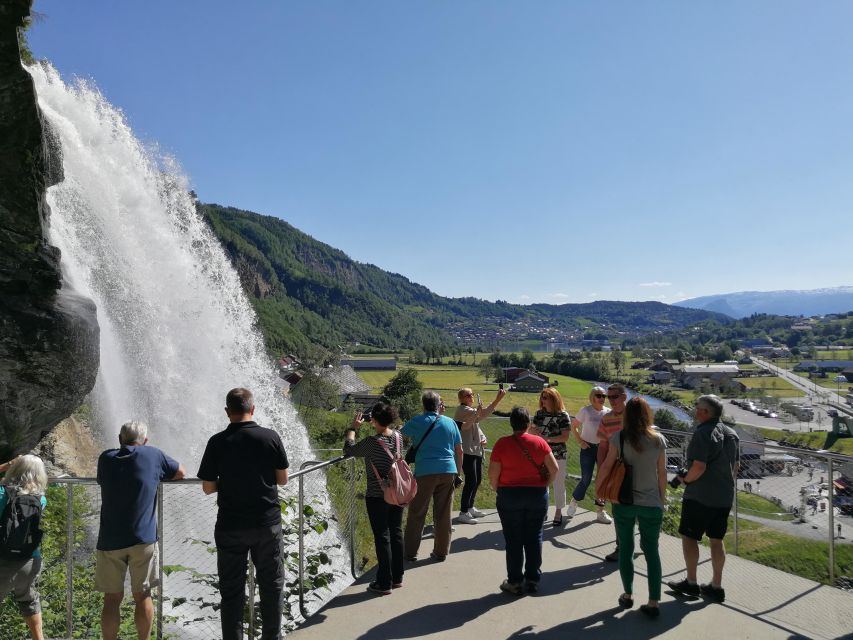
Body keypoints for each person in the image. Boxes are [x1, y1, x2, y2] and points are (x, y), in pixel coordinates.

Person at [198, 388, 290, 640]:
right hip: (266, 524)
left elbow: (207, 488)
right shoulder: (270, 437)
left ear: (227, 412)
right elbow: (282, 480)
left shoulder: (217, 441)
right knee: (271, 586)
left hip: (230, 525)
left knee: (231, 591)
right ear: (253, 409)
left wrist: (227, 483)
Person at [96, 421, 184, 640]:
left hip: (109, 539)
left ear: (119, 439)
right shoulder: (152, 454)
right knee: (143, 595)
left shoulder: (105, 458)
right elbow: (181, 472)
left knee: (111, 598)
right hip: (143, 538)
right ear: (145, 441)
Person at [596, 398, 667, 618]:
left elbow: (607, 465)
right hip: (651, 503)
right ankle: (654, 601)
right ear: (647, 415)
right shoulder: (658, 440)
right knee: (651, 551)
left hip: (623, 501)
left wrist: (599, 491)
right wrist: (662, 498)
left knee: (626, 549)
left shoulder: (620, 437)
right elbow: (662, 473)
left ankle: (627, 595)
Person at [667, 394, 739, 604]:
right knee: (716, 539)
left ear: (705, 412)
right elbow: (735, 467)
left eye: (697, 407)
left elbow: (698, 466)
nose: (694, 409)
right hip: (724, 496)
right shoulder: (732, 433)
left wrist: (685, 480)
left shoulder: (703, 433)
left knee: (689, 537)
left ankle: (691, 582)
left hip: (700, 496)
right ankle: (716, 586)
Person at [489, 407, 558, 595]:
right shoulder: (540, 443)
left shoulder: (502, 444)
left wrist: (499, 489)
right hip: (536, 495)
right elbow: (554, 469)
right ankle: (533, 579)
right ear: (529, 423)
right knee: (534, 537)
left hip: (509, 496)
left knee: (513, 540)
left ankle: (515, 581)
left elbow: (493, 474)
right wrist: (545, 485)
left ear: (511, 424)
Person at [344, 403, 405, 595]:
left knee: (382, 536)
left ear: (374, 421)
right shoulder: (398, 437)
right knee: (395, 532)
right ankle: (397, 577)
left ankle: (384, 582)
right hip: (397, 491)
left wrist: (353, 428)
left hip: (377, 495)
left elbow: (349, 450)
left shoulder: (372, 442)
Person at [401, 391, 463, 562]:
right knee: (443, 514)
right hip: (448, 471)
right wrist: (458, 473)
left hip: (425, 471)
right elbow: (459, 450)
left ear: (423, 405)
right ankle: (441, 552)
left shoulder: (417, 421)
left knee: (417, 512)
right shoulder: (450, 423)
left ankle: (410, 553)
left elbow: (399, 435)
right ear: (438, 405)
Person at [0, 455, 48, 640]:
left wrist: (6, 465)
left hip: (2, 558)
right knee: (28, 599)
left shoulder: (2, 493)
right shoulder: (40, 499)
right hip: (30, 559)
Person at [454, 387, 507, 524]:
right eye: (468, 395)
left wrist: (481, 437)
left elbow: (475, 424)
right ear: (462, 398)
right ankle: (463, 511)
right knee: (471, 480)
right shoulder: (463, 410)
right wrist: (497, 400)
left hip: (475, 450)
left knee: (476, 480)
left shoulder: (470, 411)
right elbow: (482, 415)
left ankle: (470, 507)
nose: (471, 396)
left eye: (472, 394)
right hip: (467, 450)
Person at [567, 386, 610, 521]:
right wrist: (580, 442)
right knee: (586, 478)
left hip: (603, 448)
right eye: (599, 395)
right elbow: (573, 426)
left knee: (602, 480)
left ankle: (600, 512)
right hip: (587, 448)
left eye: (604, 396)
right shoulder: (585, 411)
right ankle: (574, 501)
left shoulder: (608, 412)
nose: (602, 398)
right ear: (592, 397)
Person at [531, 388, 571, 526]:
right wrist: (532, 431)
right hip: (541, 454)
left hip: (558, 454)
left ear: (554, 399)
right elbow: (531, 430)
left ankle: (558, 512)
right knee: (543, 484)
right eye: (542, 397)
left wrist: (545, 439)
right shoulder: (539, 414)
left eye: (546, 397)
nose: (543, 400)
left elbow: (565, 437)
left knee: (558, 483)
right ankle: (543, 510)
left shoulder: (563, 415)